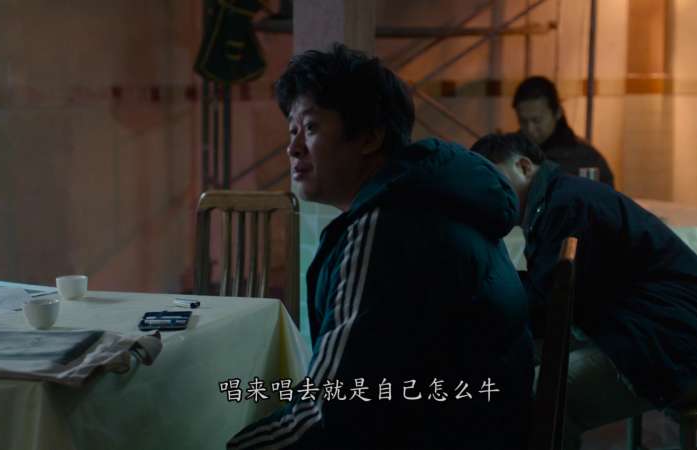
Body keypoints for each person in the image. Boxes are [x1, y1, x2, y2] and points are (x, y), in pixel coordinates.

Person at [226, 45, 534, 449]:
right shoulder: (433, 199)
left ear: (370, 137)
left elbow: (328, 416)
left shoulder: (388, 227)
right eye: (292, 131)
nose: (293, 148)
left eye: (311, 127)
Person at [469, 132, 697, 450]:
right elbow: (548, 298)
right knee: (513, 361)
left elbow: (547, 306)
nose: (487, 193)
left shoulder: (567, 204)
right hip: (663, 332)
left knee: (540, 394)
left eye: (493, 179)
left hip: (680, 346)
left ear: (523, 166)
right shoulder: (555, 200)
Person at [513, 76, 615, 187]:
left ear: (557, 112)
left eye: (537, 120)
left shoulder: (586, 160)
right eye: (523, 121)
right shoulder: (510, 156)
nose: (530, 128)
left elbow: (603, 196)